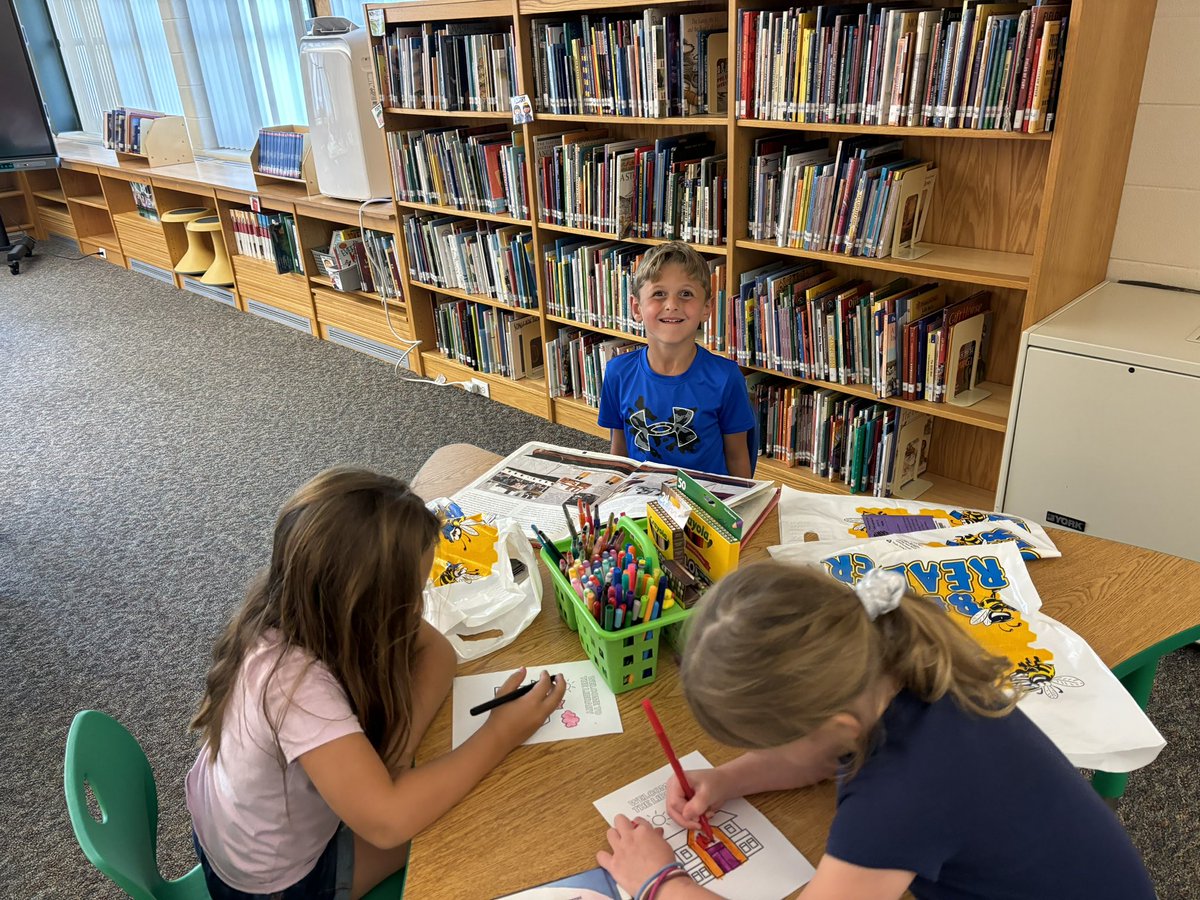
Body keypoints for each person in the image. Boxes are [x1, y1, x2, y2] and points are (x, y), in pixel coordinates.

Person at [597, 562, 1157, 900]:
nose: (760, 752)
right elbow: (818, 757)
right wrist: (726, 779)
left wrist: (658, 882)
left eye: (767, 740)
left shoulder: (900, 798)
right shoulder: (897, 665)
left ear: (834, 722)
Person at [186, 467, 566, 899]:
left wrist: (395, 753)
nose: (419, 608)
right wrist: (499, 734)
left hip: (240, 829)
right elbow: (388, 822)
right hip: (271, 884)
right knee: (465, 824)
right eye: (413, 596)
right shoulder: (294, 686)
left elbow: (439, 653)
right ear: (367, 607)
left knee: (436, 791)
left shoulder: (297, 602)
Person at [598, 242, 755, 478]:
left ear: (706, 308)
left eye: (686, 294)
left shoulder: (726, 378)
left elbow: (737, 458)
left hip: (705, 506)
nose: (672, 305)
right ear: (636, 308)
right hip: (641, 502)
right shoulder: (617, 373)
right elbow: (619, 454)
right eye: (659, 294)